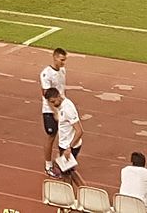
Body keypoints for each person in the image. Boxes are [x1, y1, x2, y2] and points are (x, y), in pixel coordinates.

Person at [45, 88, 84, 188]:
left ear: (59, 96)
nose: (53, 104)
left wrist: (69, 148)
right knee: (68, 171)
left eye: (54, 101)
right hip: (64, 145)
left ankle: (79, 192)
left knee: (66, 173)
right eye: (50, 102)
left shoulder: (68, 109)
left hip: (69, 146)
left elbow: (80, 131)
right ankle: (82, 192)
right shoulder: (61, 106)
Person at [40, 47, 69, 175]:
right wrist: (54, 111)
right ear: (55, 57)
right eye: (61, 60)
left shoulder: (62, 70)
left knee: (65, 136)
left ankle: (62, 162)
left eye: (64, 60)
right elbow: (46, 95)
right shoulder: (46, 74)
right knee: (51, 137)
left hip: (62, 108)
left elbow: (62, 90)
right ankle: (48, 165)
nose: (63, 62)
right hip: (50, 111)